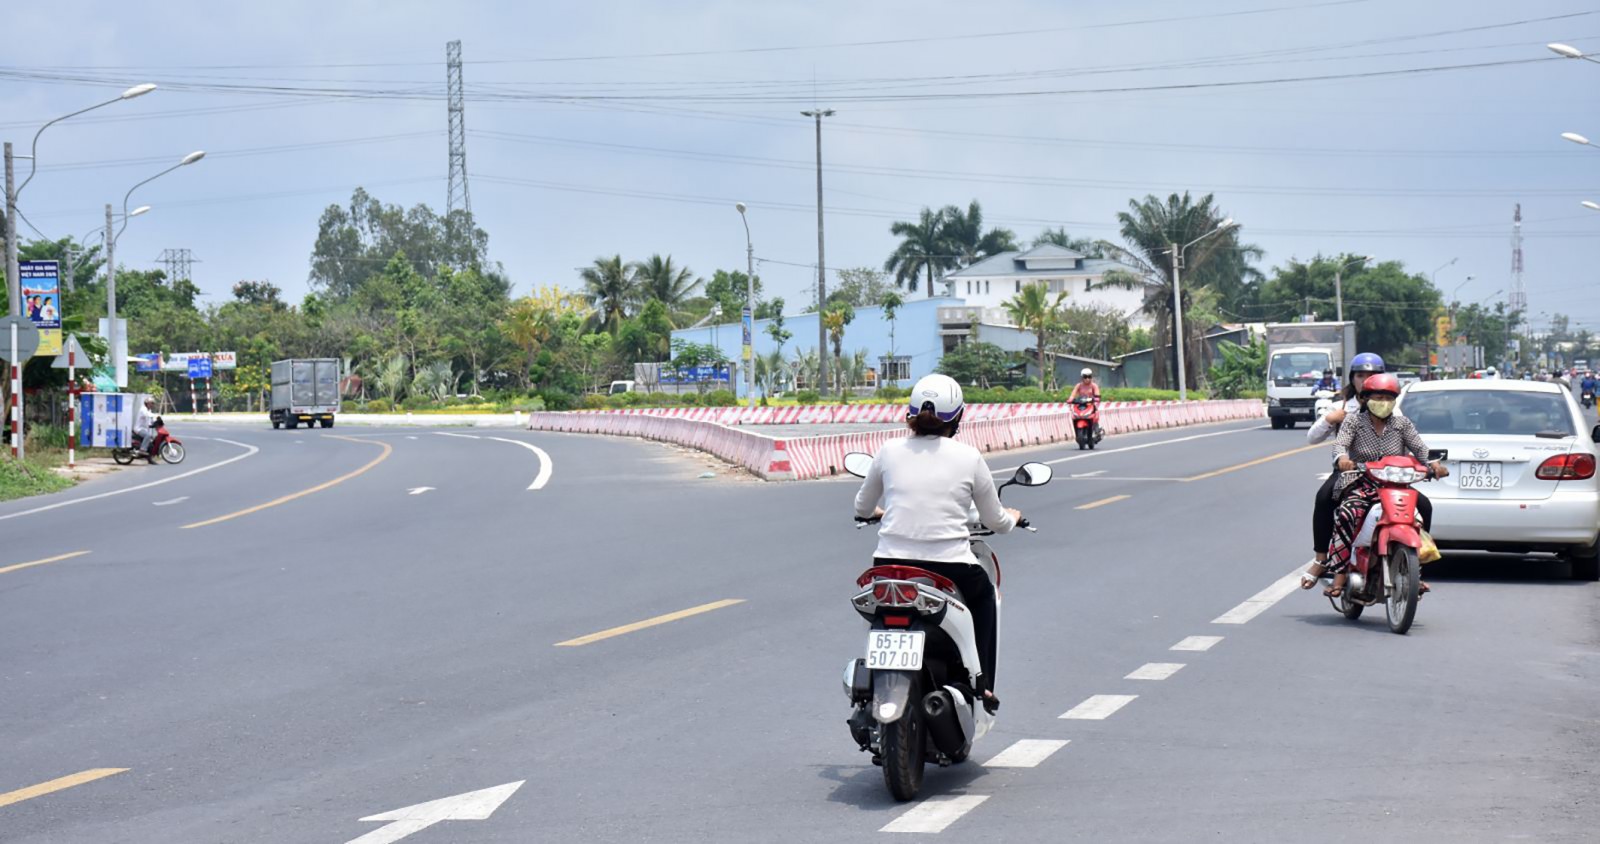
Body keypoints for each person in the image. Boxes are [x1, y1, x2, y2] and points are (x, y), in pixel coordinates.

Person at [854, 373, 1019, 713]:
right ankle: (982, 684)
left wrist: (882, 512)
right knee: (985, 595)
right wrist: (1013, 518)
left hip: (888, 566)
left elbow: (861, 508)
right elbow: (995, 521)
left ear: (910, 413)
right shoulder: (969, 457)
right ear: (958, 417)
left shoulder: (888, 451)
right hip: (951, 567)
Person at [1315, 373, 1448, 597]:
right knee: (1349, 513)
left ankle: (1416, 569)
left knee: (1424, 507)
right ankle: (1339, 574)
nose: (1383, 403)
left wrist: (1434, 465)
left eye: (1388, 398)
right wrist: (1342, 460)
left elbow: (1420, 448)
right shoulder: (1354, 421)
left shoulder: (1402, 424)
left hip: (1395, 485)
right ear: (1366, 399)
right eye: (1378, 397)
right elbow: (1340, 445)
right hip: (1361, 482)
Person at [1302, 352, 1384, 587]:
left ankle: (1417, 565)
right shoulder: (1341, 406)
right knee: (1324, 498)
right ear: (1352, 378)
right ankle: (1321, 559)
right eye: (1361, 375)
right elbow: (1312, 437)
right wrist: (1330, 419)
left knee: (1423, 505)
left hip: (1385, 473)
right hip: (1349, 472)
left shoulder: (1392, 406)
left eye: (1373, 375)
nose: (1366, 380)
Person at [133, 395, 159, 464]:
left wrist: (156, 422)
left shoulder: (148, 410)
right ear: (147, 403)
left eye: (153, 403)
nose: (152, 405)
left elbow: (151, 418)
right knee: (148, 435)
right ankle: (142, 450)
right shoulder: (143, 409)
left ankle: (149, 460)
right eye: (151, 403)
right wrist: (156, 415)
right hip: (139, 429)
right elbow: (147, 415)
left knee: (151, 444)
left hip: (144, 429)